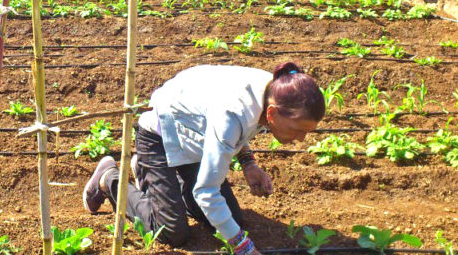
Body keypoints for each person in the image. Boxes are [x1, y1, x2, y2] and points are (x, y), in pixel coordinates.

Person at [83, 62, 325, 255]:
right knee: (171, 232)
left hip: (194, 137)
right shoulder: (235, 113)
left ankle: (152, 174)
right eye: (298, 130)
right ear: (272, 114)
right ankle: (110, 179)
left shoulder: (277, 91)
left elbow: (235, 129)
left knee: (231, 221)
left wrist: (249, 164)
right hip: (159, 133)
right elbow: (207, 191)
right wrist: (244, 249)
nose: (301, 139)